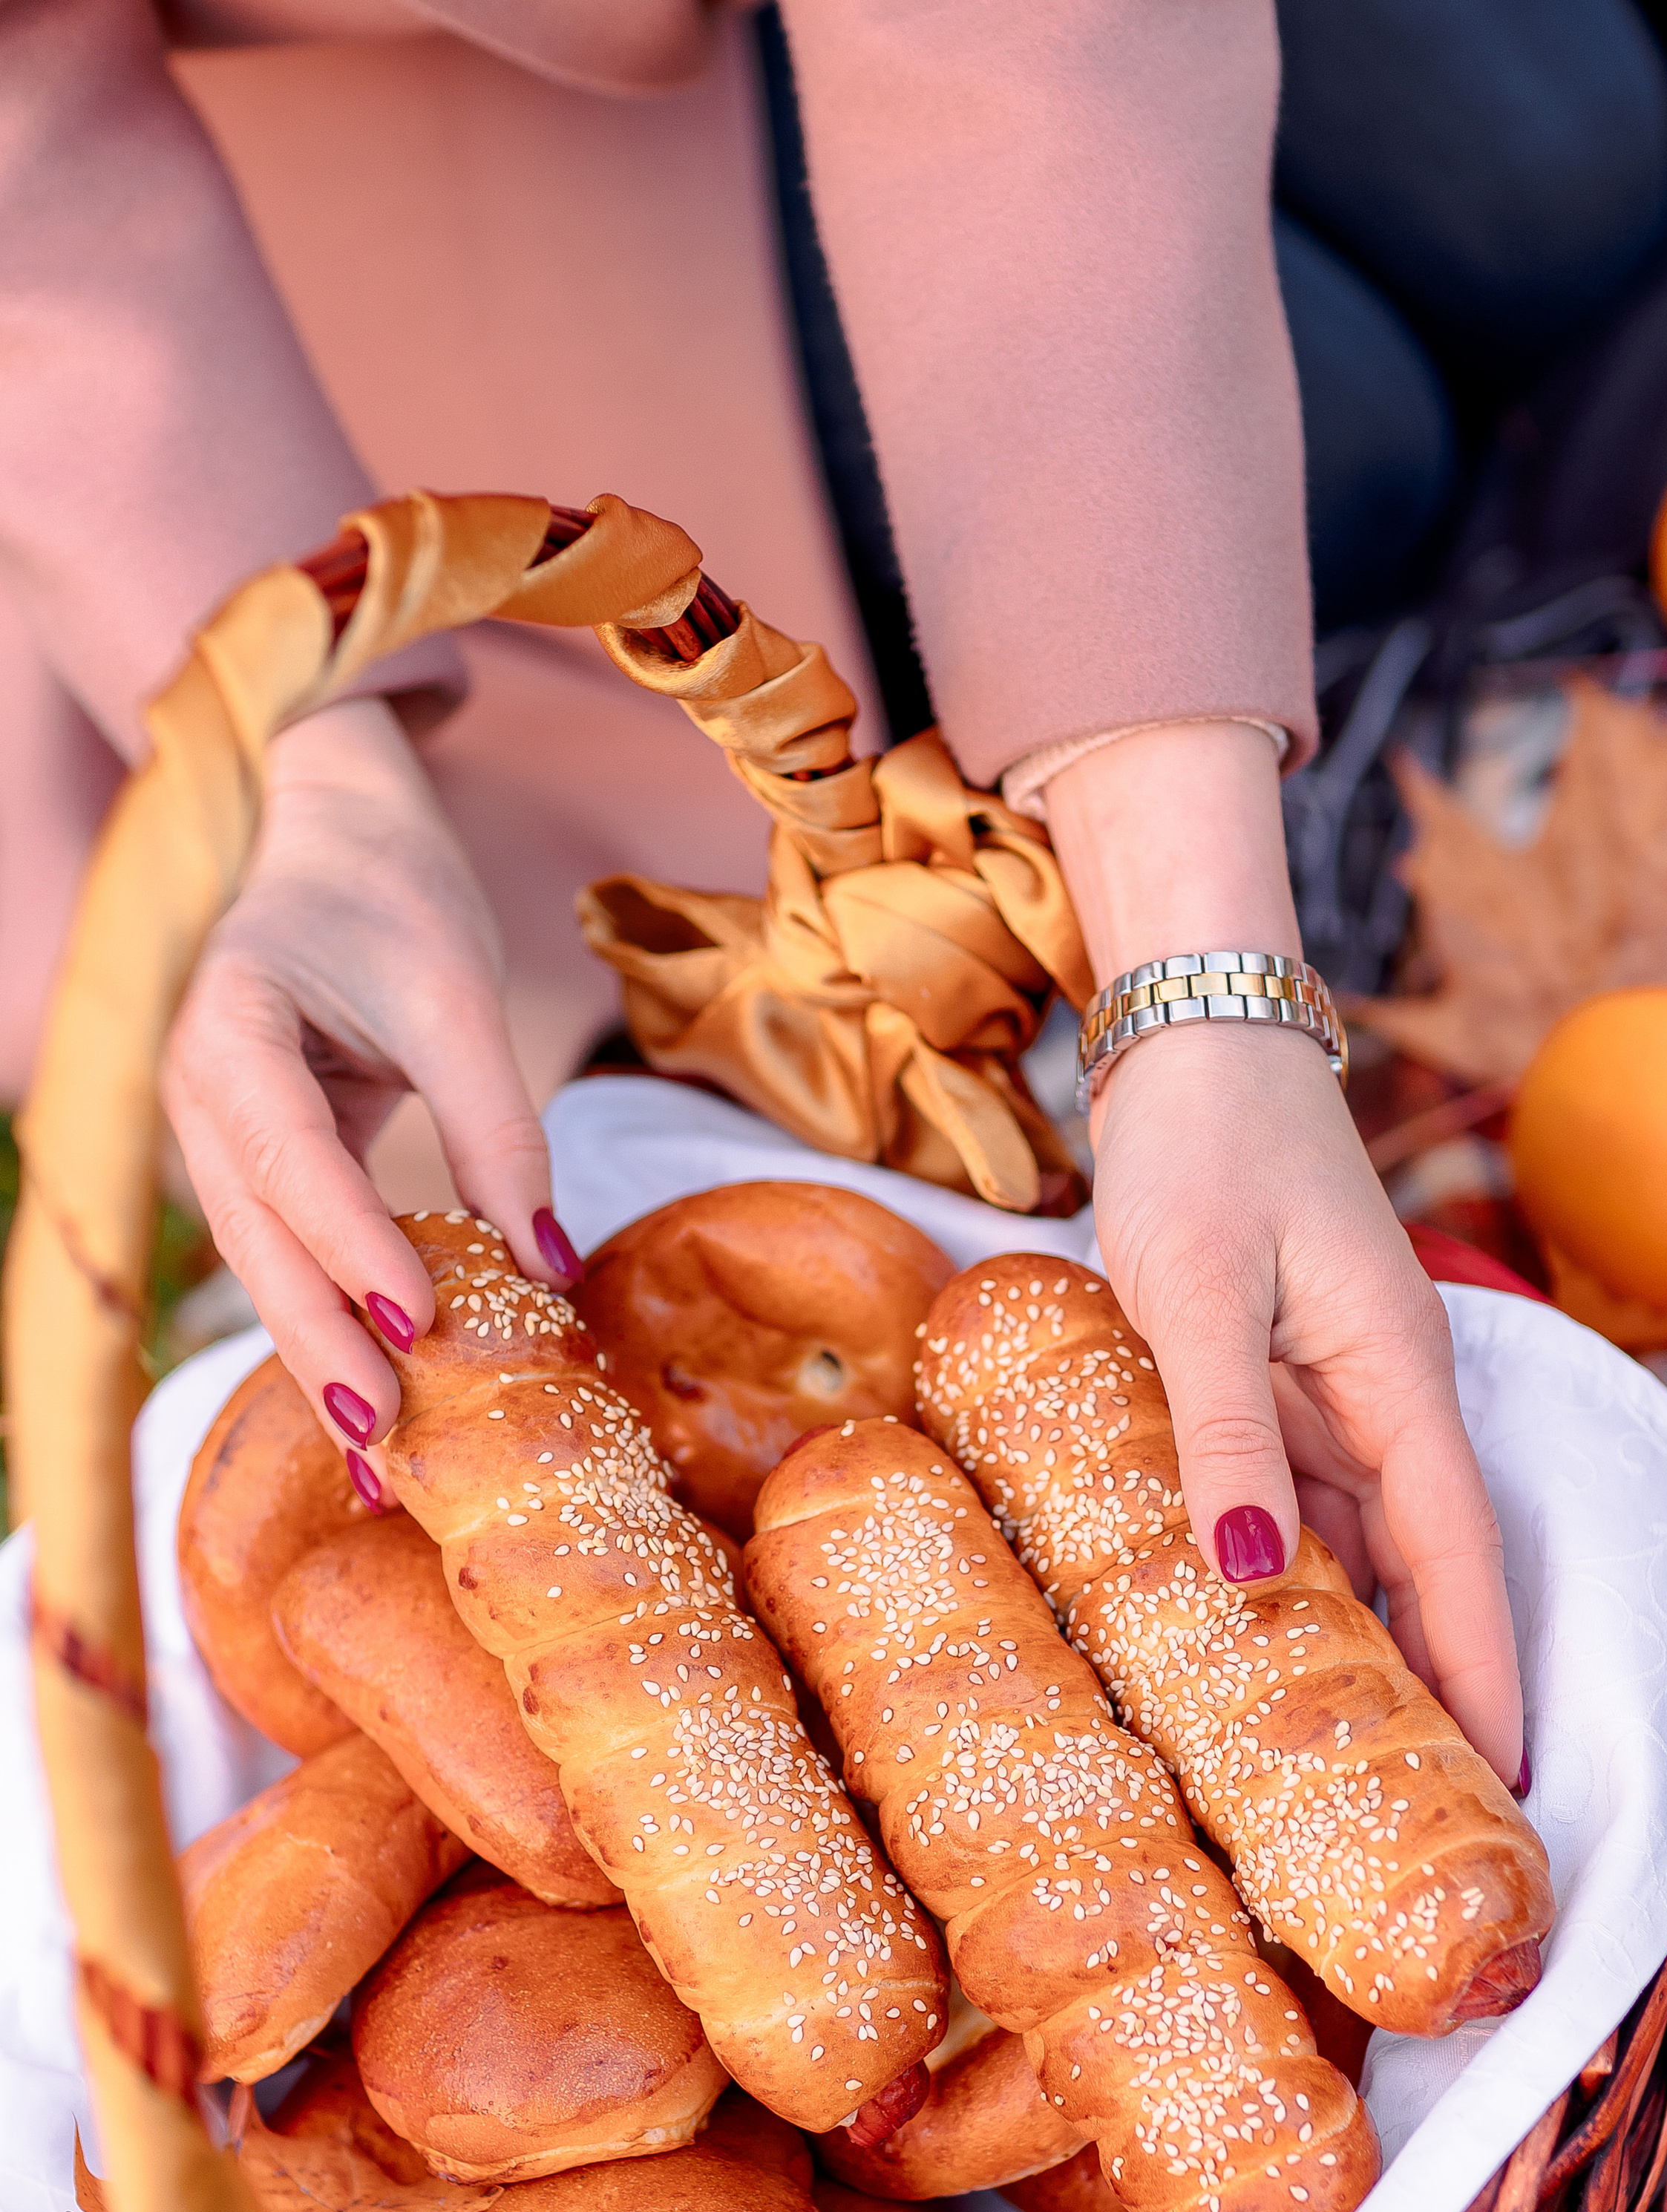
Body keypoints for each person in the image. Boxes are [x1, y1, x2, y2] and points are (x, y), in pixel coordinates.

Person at [0, 0, 1583, 1793]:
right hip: (277, 230)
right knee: (1371, 422)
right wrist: (294, 762)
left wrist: (1197, 991)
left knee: (1558, 184)